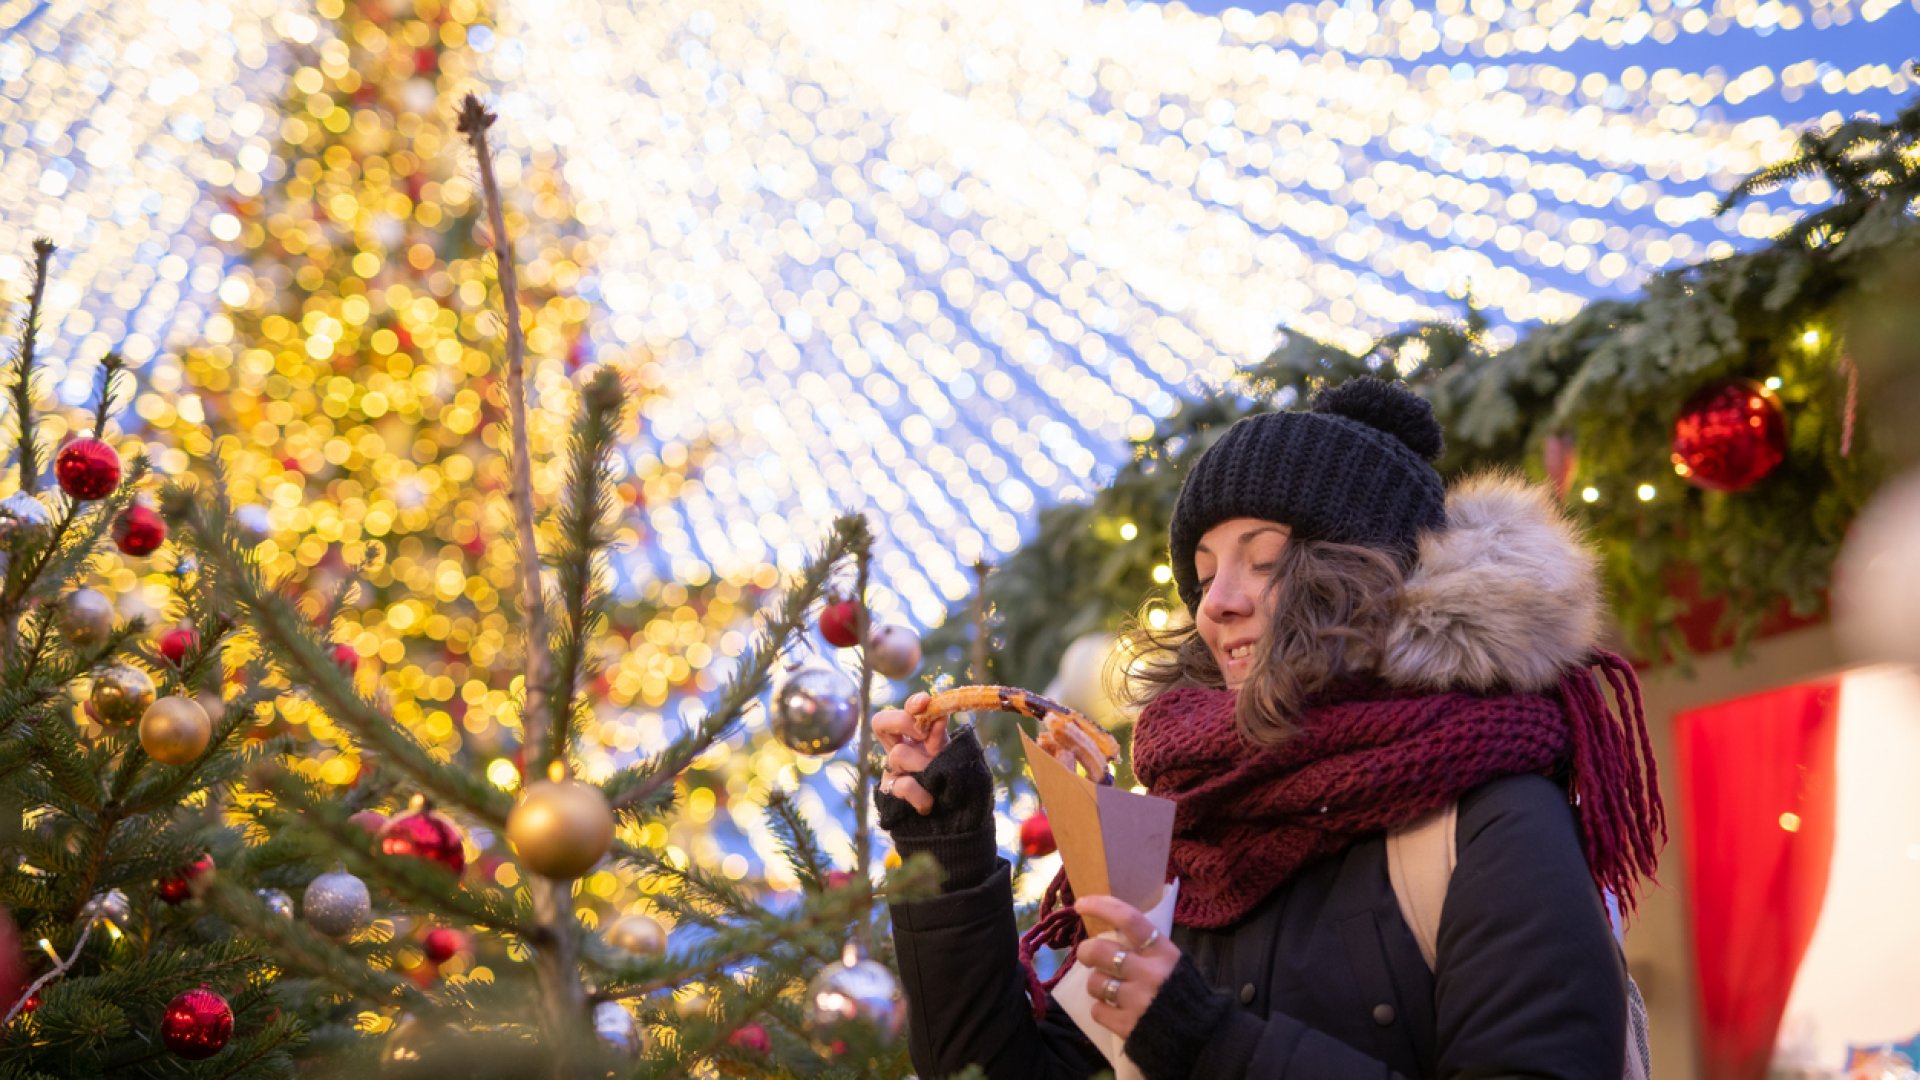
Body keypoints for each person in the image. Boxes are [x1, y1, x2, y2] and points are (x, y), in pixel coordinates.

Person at [873, 377, 1666, 1079]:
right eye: (1207, 568)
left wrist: (1208, 1043)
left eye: (1263, 559)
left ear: (1361, 574)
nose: (1217, 600)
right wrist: (946, 845)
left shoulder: (1490, 814)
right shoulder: (1184, 835)